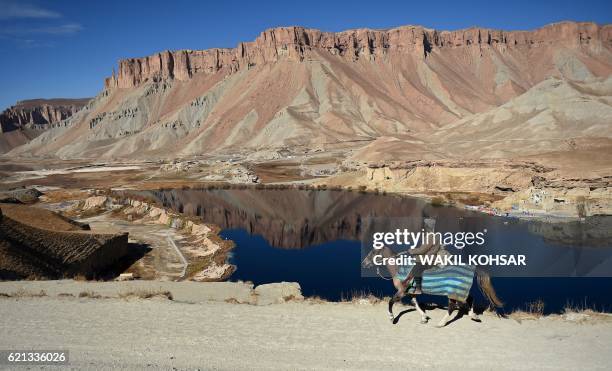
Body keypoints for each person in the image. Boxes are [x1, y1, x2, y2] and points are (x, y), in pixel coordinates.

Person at [407, 217, 444, 294]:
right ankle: (412, 286)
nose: (423, 227)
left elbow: (423, 250)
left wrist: (412, 251)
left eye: (424, 225)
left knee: (416, 269)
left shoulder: (430, 236)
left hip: (428, 259)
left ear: (427, 226)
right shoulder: (434, 235)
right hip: (429, 257)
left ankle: (418, 289)